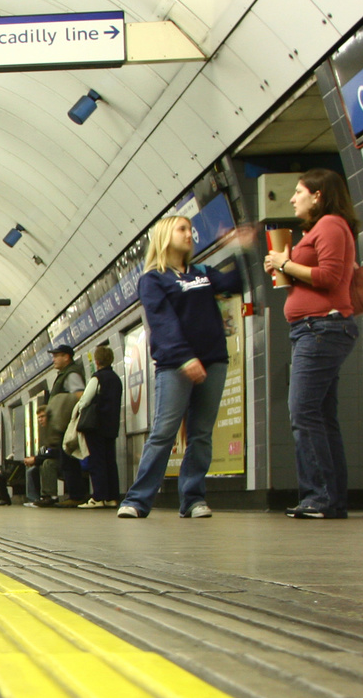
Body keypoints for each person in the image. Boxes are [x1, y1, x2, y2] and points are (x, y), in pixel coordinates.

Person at [117, 215, 247, 519]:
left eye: (191, 229)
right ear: (165, 236)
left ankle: (193, 499)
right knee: (164, 431)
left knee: (201, 433)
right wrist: (185, 357)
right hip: (175, 365)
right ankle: (137, 500)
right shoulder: (153, 279)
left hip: (213, 360)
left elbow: (234, 284)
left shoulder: (202, 272)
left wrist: (239, 250)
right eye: (182, 229)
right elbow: (163, 321)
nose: (190, 234)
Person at [264, 168, 360, 519]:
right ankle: (331, 500)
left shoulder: (331, 225)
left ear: (318, 195)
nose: (292, 198)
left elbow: (331, 276)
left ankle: (318, 497)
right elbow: (311, 277)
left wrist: (286, 262)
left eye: (299, 191)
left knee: (302, 411)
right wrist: (281, 267)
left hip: (322, 328)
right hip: (314, 329)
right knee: (321, 415)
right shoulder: (319, 229)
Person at [73, 343, 123, 507]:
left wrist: (78, 409)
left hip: (95, 426)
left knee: (97, 461)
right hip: (111, 426)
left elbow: (85, 400)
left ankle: (99, 497)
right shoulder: (116, 379)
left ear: (97, 361)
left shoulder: (97, 377)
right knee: (110, 461)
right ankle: (112, 497)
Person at [46, 345, 89, 506]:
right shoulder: (64, 374)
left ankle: (76, 495)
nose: (53, 359)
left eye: (57, 356)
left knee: (69, 460)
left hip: (68, 424)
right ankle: (74, 494)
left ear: (67, 357)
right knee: (65, 460)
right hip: (63, 423)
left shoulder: (71, 374)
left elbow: (79, 395)